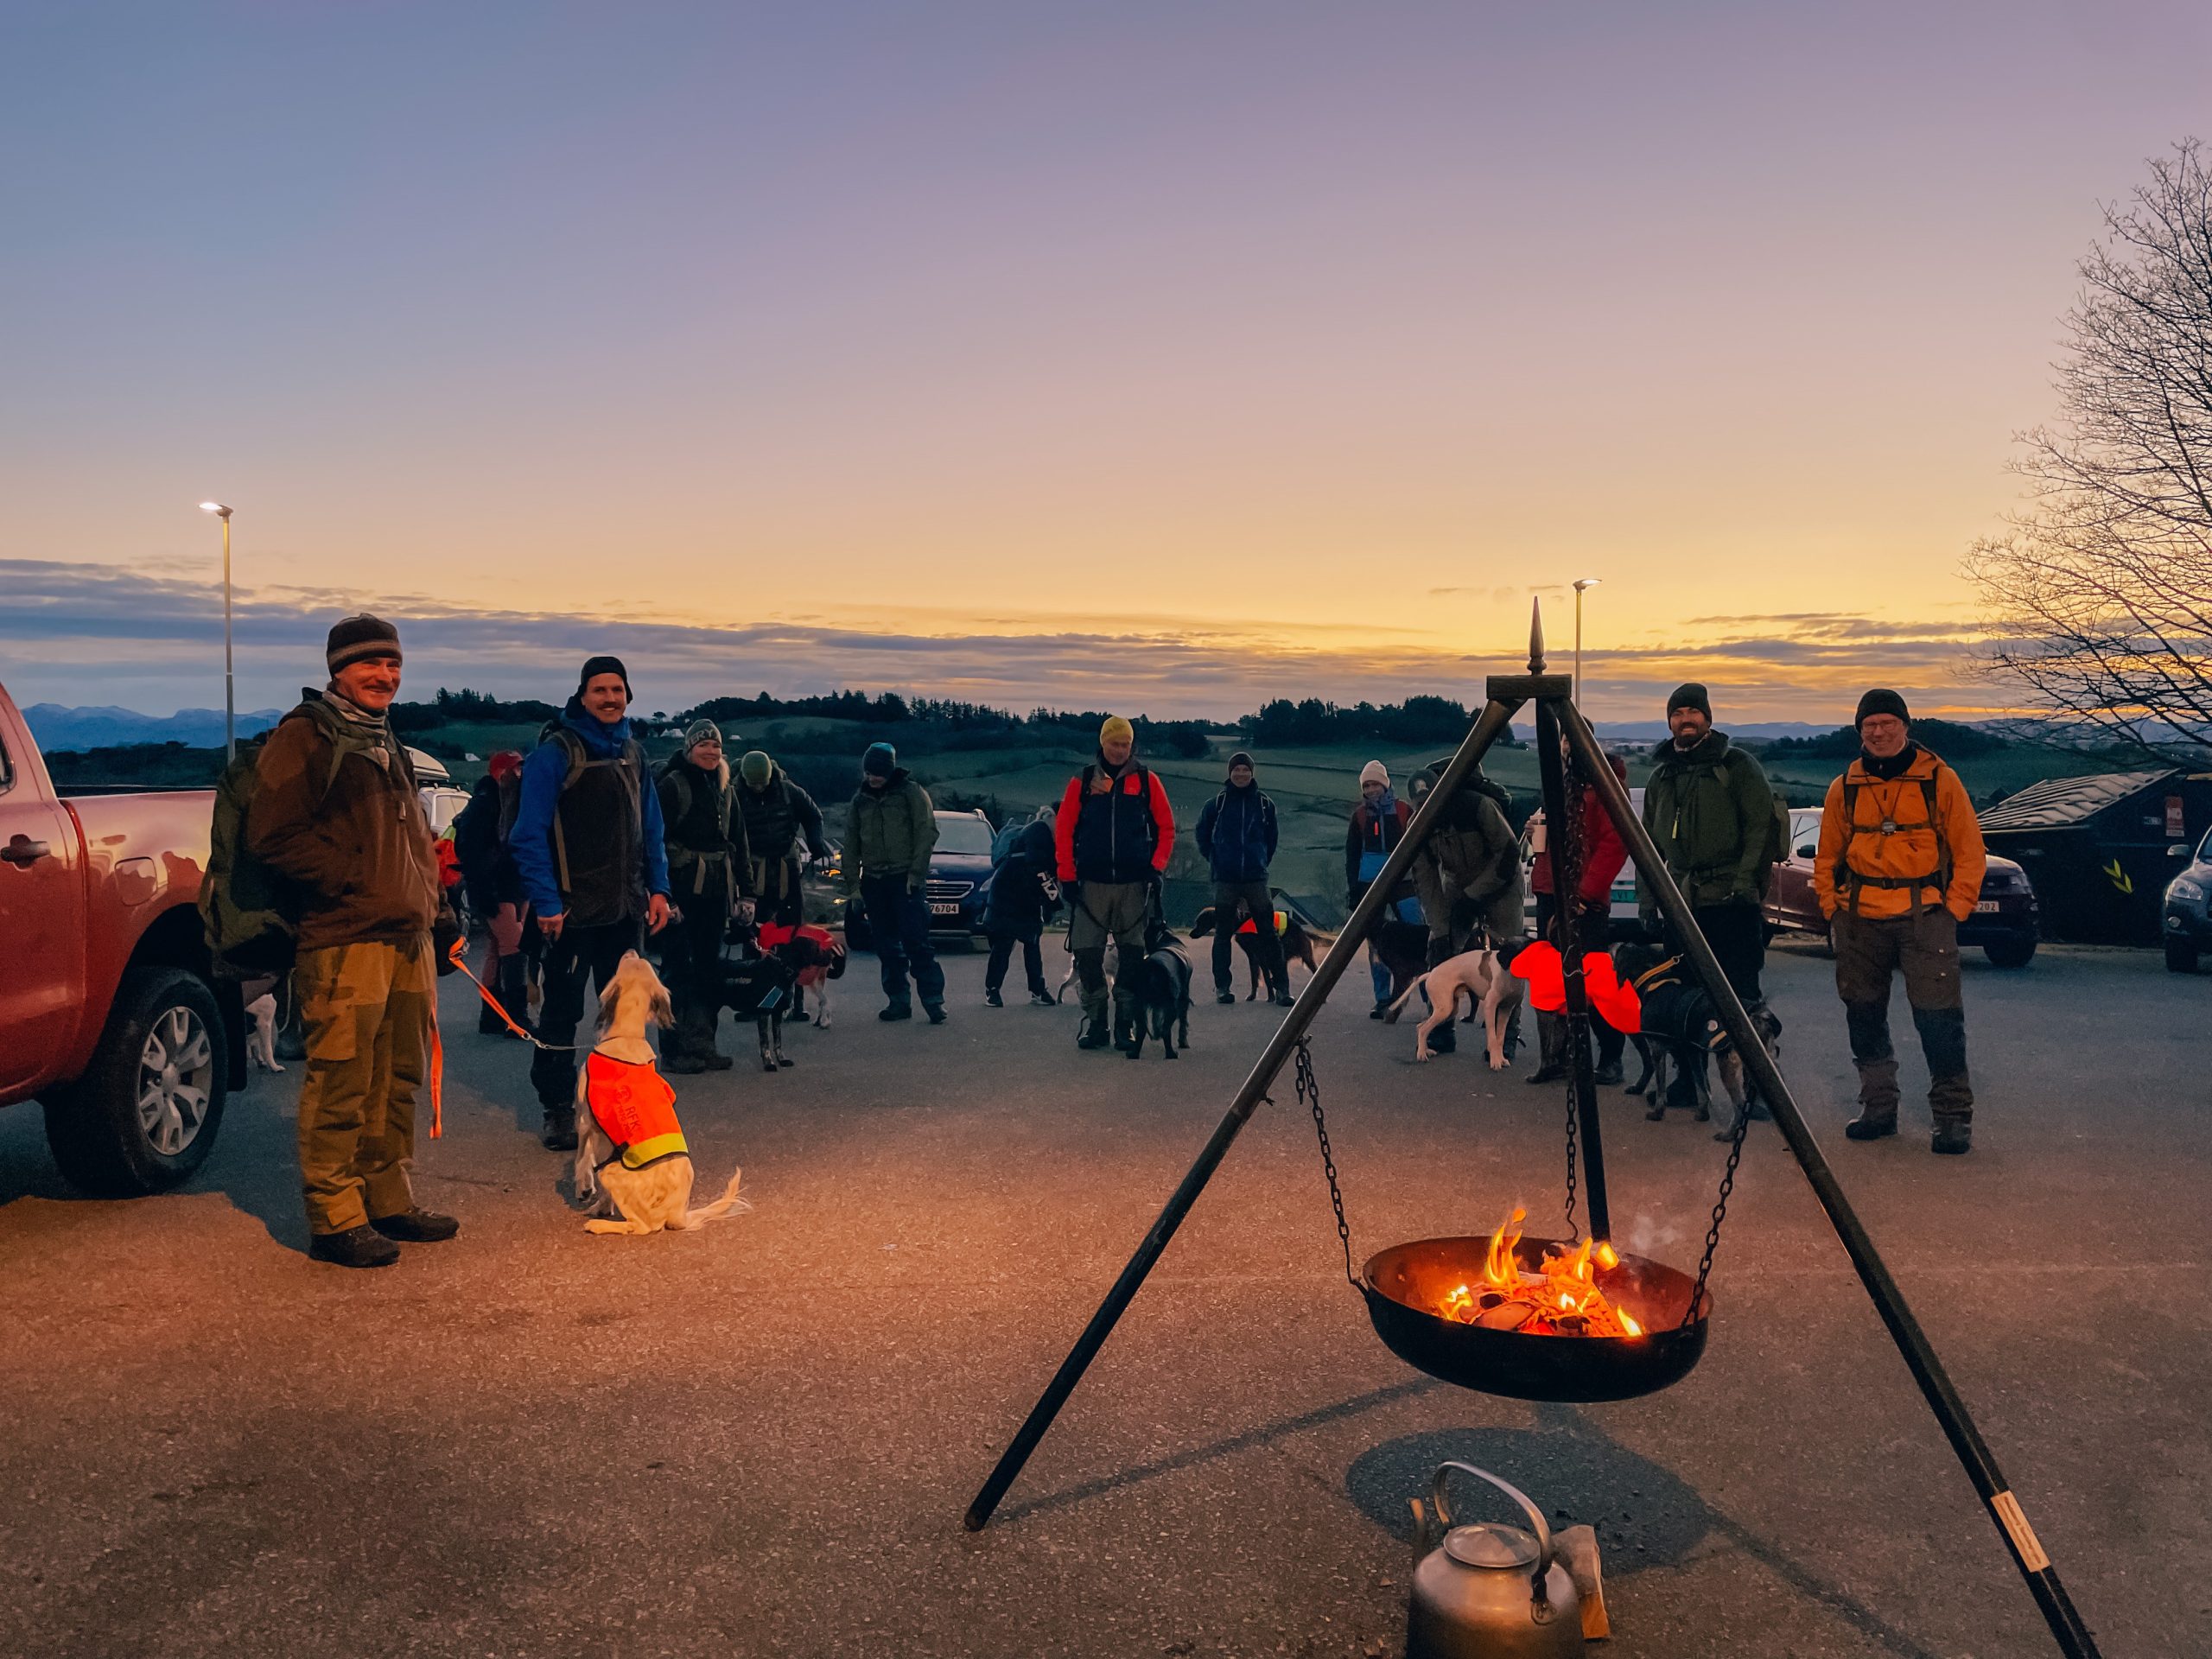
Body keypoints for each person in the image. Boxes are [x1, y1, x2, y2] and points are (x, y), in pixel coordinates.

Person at [248, 613, 455, 1268]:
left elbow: (411, 839)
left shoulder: (383, 738)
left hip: (406, 937)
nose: (386, 676)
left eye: (393, 665)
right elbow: (272, 836)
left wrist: (437, 906)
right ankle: (335, 1217)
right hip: (343, 940)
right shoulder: (305, 737)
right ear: (338, 669)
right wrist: (354, 881)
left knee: (398, 1078)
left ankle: (387, 1198)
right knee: (342, 1079)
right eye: (371, 664)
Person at [1815, 690, 1986, 1154]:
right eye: (1869, 725)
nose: (1878, 731)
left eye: (1888, 722)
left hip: (1925, 917)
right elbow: (1827, 855)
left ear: (1906, 727)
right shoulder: (1843, 787)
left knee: (1939, 1020)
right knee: (1864, 1016)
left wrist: (1955, 909)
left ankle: (1952, 1119)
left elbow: (1971, 851)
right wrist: (1832, 909)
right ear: (1860, 732)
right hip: (1858, 919)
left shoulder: (1940, 780)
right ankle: (1879, 1109)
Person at [511, 655, 672, 1147]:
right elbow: (527, 835)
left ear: (628, 696)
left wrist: (659, 888)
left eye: (617, 690)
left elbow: (653, 830)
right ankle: (558, 1109)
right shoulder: (556, 754)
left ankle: (622, 1105)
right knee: (561, 1013)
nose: (609, 698)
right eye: (599, 690)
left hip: (623, 910)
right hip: (569, 913)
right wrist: (546, 903)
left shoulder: (634, 753)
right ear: (582, 696)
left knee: (627, 1015)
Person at [1640, 683, 1777, 1112]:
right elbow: (1647, 845)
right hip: (1681, 902)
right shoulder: (1662, 776)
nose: (1685, 720)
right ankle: (1688, 1082)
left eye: (1692, 713)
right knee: (1684, 999)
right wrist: (1649, 900)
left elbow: (1760, 830)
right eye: (1678, 713)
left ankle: (1758, 1089)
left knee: (1742, 998)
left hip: (1731, 900)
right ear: (1669, 721)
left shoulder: (1737, 767)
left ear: (1708, 719)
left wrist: (1745, 885)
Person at [1055, 715, 1176, 1052]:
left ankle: (1126, 1026)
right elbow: (1064, 831)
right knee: (1088, 957)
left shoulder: (1147, 782)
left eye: (1125, 744)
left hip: (1134, 886)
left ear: (1131, 746)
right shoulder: (1081, 782)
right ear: (1103, 744)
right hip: (1090, 885)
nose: (1120, 750)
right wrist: (1066, 875)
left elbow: (1167, 829)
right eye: (1114, 743)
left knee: (1132, 958)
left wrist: (1157, 868)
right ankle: (1096, 1024)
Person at [656, 720, 753, 1073]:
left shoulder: (726, 788)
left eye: (716, 746)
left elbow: (739, 841)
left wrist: (748, 894)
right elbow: (654, 844)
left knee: (708, 971)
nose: (711, 752)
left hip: (715, 893)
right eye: (704, 746)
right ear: (689, 749)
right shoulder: (672, 785)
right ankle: (674, 1050)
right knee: (677, 973)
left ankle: (703, 1045)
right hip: (680, 894)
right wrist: (665, 897)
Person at [1528, 751, 1630, 1085]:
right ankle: (1560, 1054)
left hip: (1584, 900)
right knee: (1553, 981)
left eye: (1571, 740)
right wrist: (1534, 835)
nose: (1566, 749)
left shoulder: (1605, 785)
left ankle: (1611, 1057)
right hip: (1550, 889)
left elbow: (1615, 843)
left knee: (1592, 982)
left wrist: (1585, 894)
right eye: (1561, 741)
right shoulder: (1557, 784)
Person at [1409, 758, 1524, 1056]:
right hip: (1458, 884)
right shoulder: (1416, 826)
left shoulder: (1478, 806)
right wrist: (1441, 929)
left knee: (1510, 957)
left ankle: (1504, 1038)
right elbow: (1426, 880)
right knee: (1440, 949)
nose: (1424, 811)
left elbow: (1509, 853)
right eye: (1418, 806)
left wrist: (1473, 896)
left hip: (1501, 882)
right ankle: (1442, 1027)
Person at [843, 741, 945, 1023]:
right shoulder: (859, 800)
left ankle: (933, 1000)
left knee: (917, 943)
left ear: (889, 771)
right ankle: (898, 1001)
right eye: (868, 772)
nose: (872, 778)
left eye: (877, 773)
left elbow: (927, 833)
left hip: (905, 880)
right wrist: (853, 888)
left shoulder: (912, 793)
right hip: (874, 881)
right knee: (886, 947)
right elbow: (850, 844)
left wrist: (916, 875)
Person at [735, 747, 831, 1016]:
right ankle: (753, 1000)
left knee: (793, 935)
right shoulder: (734, 794)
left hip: (786, 868)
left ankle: (793, 1002)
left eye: (761, 783)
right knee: (753, 935)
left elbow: (813, 816)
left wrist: (815, 841)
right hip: (752, 870)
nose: (757, 788)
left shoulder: (790, 791)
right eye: (752, 783)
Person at [1195, 751, 1287, 1006]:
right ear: (1229, 772)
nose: (1241, 774)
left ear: (1252, 772)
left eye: (1245, 769)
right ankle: (1222, 988)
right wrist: (1215, 860)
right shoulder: (1216, 804)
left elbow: (1272, 841)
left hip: (1256, 879)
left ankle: (1282, 989)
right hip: (1226, 879)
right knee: (1222, 935)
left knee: (1268, 934)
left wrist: (1260, 862)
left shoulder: (1266, 805)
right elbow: (1202, 836)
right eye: (1237, 769)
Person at [453, 749, 533, 1038]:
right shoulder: (485, 806)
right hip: (496, 889)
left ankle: (492, 1018)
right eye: (516, 769)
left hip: (512, 885)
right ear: (501, 773)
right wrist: (485, 892)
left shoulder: (508, 802)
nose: (521, 774)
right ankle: (516, 1019)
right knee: (514, 947)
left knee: (496, 952)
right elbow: (474, 856)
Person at [1346, 760, 1416, 1016]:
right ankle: (1383, 999)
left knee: (1418, 936)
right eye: (1367, 785)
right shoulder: (1360, 816)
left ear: (1385, 784)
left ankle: (1430, 997)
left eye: (1375, 783)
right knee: (1376, 945)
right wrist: (1353, 889)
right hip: (1370, 885)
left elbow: (1419, 846)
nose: (1371, 789)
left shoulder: (1403, 810)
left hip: (1404, 882)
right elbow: (1352, 855)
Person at [982, 816, 1061, 1007]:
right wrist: (1055, 902)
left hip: (1013, 897)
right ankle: (1035, 990)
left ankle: (995, 991)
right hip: (1013, 898)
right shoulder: (1040, 835)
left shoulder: (1034, 835)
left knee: (1010, 945)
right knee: (1015, 945)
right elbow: (1040, 871)